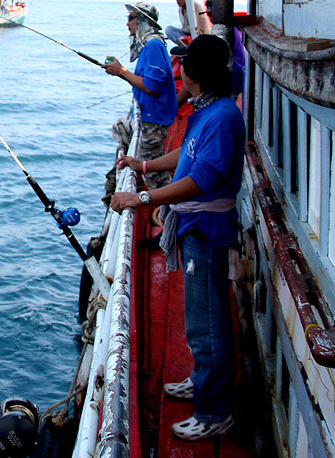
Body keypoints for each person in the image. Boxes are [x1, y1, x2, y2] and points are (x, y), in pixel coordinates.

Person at [110, 34, 246, 441]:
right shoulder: (207, 111)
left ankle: (213, 412)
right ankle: (201, 380)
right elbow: (187, 152)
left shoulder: (222, 117)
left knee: (207, 324)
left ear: (195, 73)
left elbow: (201, 179)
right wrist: (144, 162)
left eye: (184, 64)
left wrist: (142, 197)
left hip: (206, 230)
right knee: (199, 318)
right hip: (194, 229)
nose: (178, 70)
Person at [102, 2, 178, 197]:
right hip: (152, 116)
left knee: (151, 170)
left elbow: (152, 87)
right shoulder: (151, 44)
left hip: (154, 119)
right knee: (153, 166)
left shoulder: (153, 46)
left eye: (131, 18)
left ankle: (164, 210)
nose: (127, 23)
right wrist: (120, 72)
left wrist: (121, 71)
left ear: (142, 20)